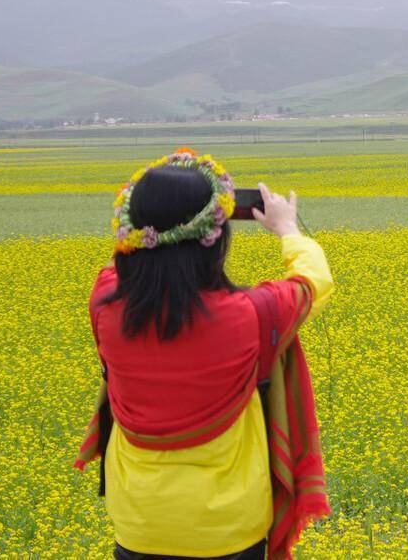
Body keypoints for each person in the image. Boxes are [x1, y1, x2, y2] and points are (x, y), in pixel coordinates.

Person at [74, 148, 333, 560]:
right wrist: (287, 229)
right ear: (216, 237)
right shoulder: (251, 315)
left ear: (135, 232)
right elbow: (312, 280)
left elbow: (121, 261)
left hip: (139, 522)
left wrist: (158, 206)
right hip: (228, 529)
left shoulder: (106, 303)